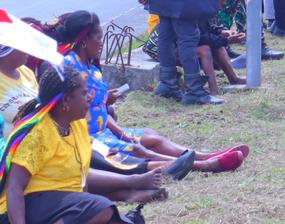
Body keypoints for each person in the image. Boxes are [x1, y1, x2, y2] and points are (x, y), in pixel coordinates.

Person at [52, 12, 245, 173]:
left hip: (105, 131)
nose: (102, 43)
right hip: (87, 137)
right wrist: (117, 130)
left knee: (150, 135)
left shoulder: (92, 68)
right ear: (84, 40)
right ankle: (203, 165)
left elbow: (98, 108)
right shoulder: (70, 67)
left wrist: (117, 126)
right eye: (98, 38)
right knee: (138, 149)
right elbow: (69, 109)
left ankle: (205, 156)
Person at [0, 67, 154, 224]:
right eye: (84, 93)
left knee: (113, 218)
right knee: (101, 207)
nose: (90, 97)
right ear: (66, 100)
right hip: (24, 209)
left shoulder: (77, 124)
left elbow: (81, 180)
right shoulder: (38, 134)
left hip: (60, 205)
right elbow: (14, 187)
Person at [0, 46, 37, 139]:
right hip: (6, 145)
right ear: (7, 48)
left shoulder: (27, 72)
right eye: (21, 45)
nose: (28, 50)